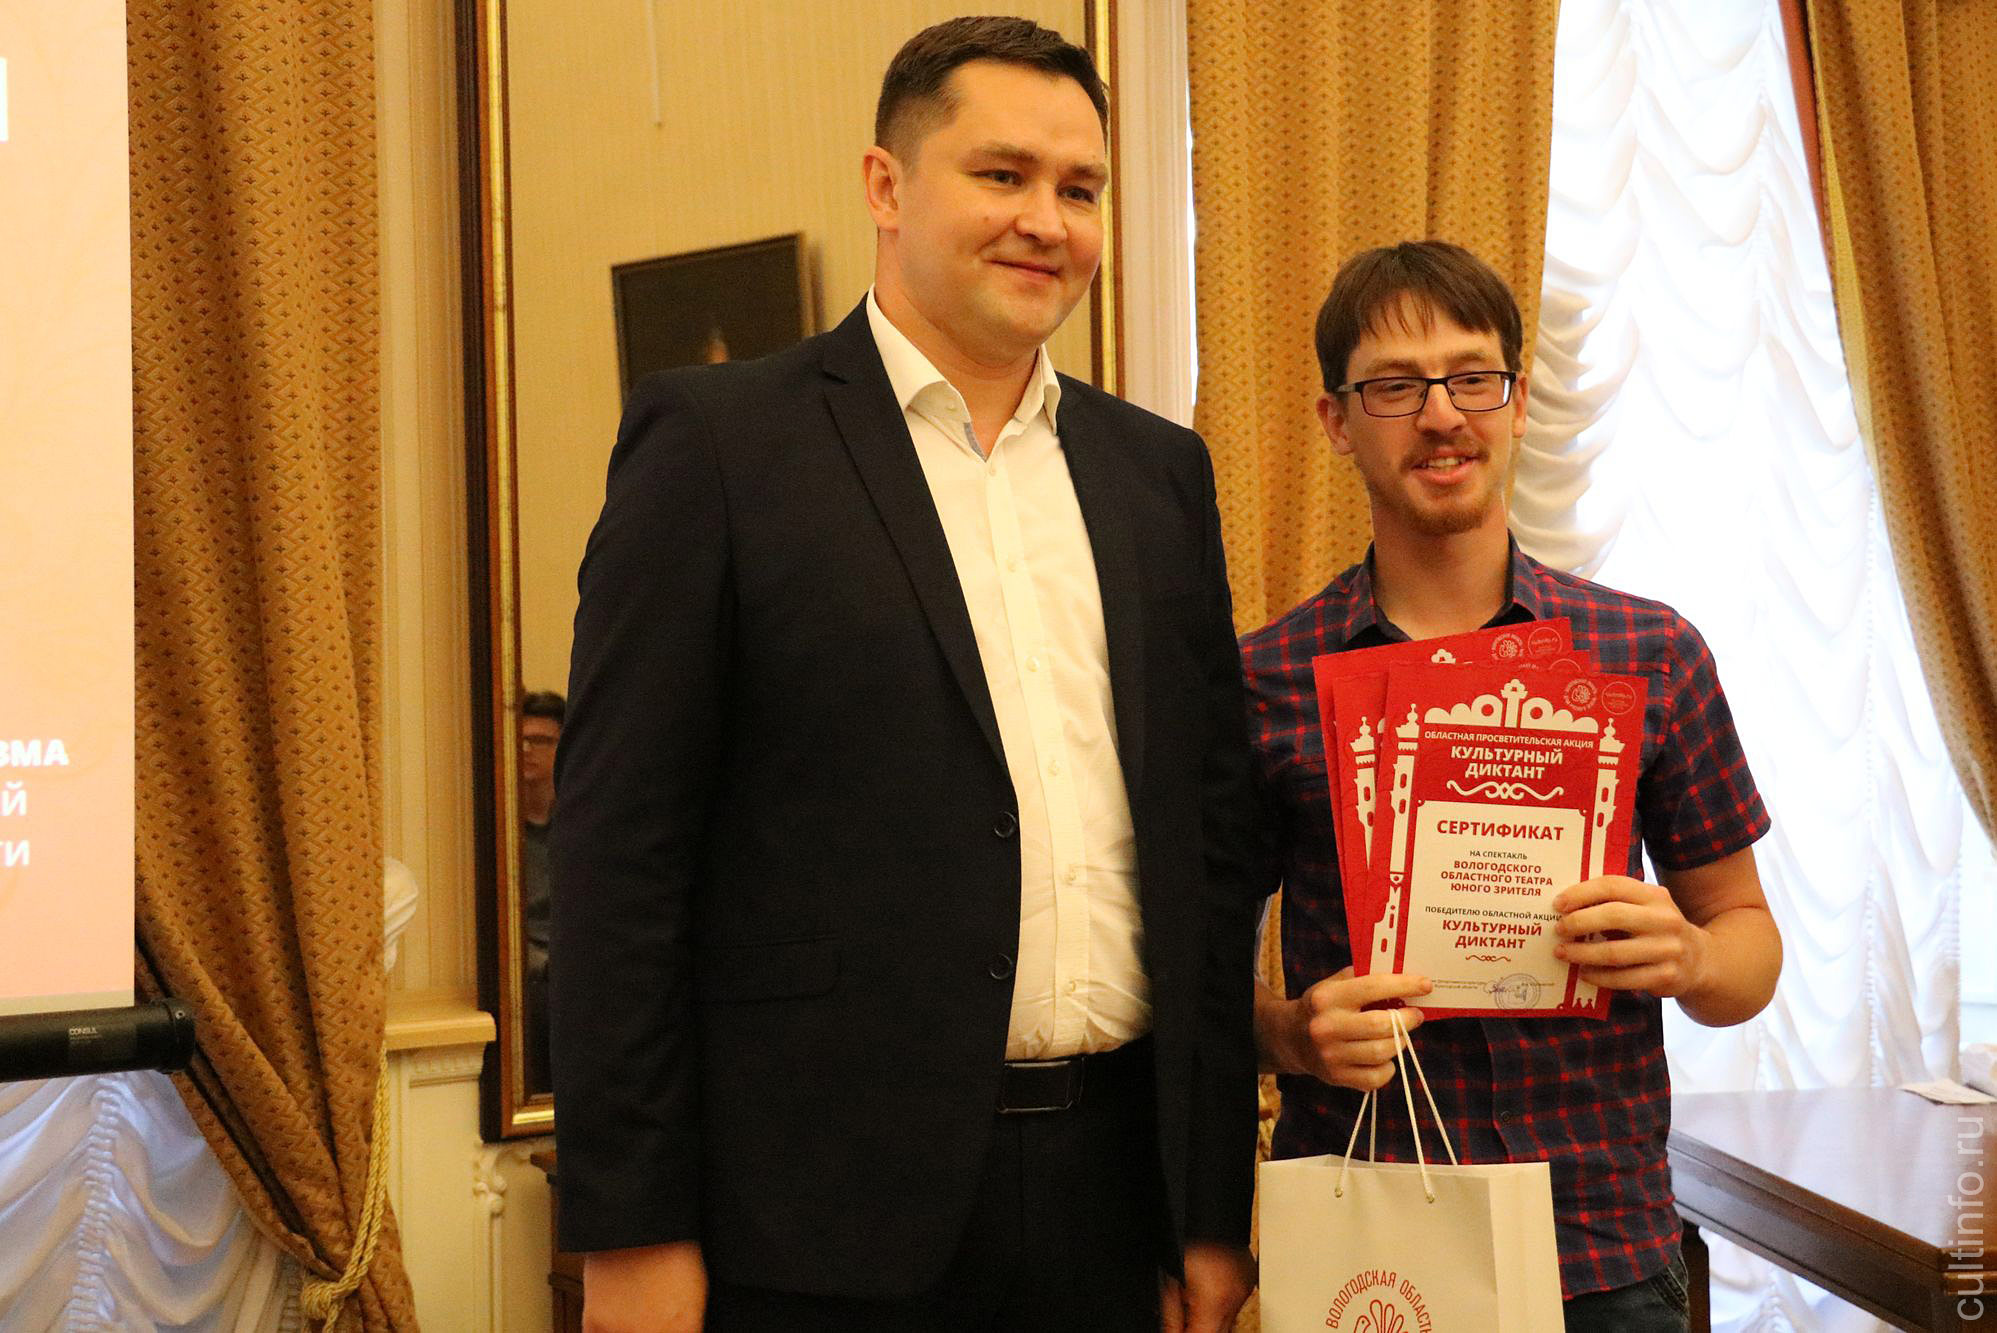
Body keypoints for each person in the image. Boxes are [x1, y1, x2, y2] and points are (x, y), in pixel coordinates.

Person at [550, 17, 1260, 1332]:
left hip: (1115, 1205)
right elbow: (617, 863)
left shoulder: (1157, 475)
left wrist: (1210, 1210)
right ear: (885, 185)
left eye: (1080, 189)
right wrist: (631, 1230)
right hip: (814, 1224)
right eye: (1001, 175)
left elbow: (1205, 858)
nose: (1045, 220)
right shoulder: (717, 445)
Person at [1241, 241, 1782, 1333]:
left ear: (1519, 400)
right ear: (1335, 420)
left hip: (1600, 1246)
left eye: (1471, 376)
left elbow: (1748, 948)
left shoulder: (1648, 653)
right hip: (1368, 1246)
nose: (1441, 414)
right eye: (1394, 387)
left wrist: (1687, 954)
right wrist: (1294, 1033)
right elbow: (1197, 992)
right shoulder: (1264, 677)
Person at [517, 689, 563, 1094]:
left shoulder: (578, 824)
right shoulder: (504, 828)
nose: (528, 750)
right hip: (529, 967)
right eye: (522, 740)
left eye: (540, 740)